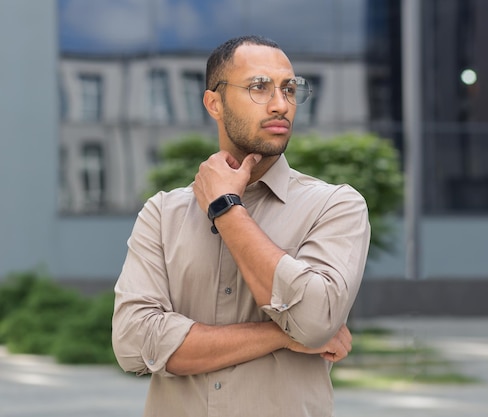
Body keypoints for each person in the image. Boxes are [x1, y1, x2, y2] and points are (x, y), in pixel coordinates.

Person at [112, 35, 370, 417]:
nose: (281, 104)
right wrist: (284, 335)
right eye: (259, 87)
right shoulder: (163, 213)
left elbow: (315, 320)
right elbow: (134, 343)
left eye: (289, 89)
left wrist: (226, 208)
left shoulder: (336, 206)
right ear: (214, 103)